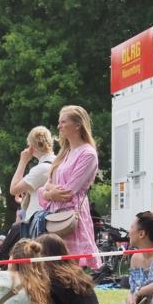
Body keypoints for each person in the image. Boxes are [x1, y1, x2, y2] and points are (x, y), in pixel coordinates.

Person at [36, 106, 101, 269]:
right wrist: (50, 193)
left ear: (78, 125)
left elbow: (69, 191)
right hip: (54, 217)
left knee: (70, 268)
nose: (59, 126)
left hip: (71, 218)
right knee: (53, 266)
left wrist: (48, 192)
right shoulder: (64, 153)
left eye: (63, 122)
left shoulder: (87, 154)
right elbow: (46, 186)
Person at [9, 126, 56, 238]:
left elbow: (13, 189)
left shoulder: (41, 169)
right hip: (51, 221)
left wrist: (23, 161)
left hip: (37, 223)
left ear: (32, 146)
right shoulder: (57, 161)